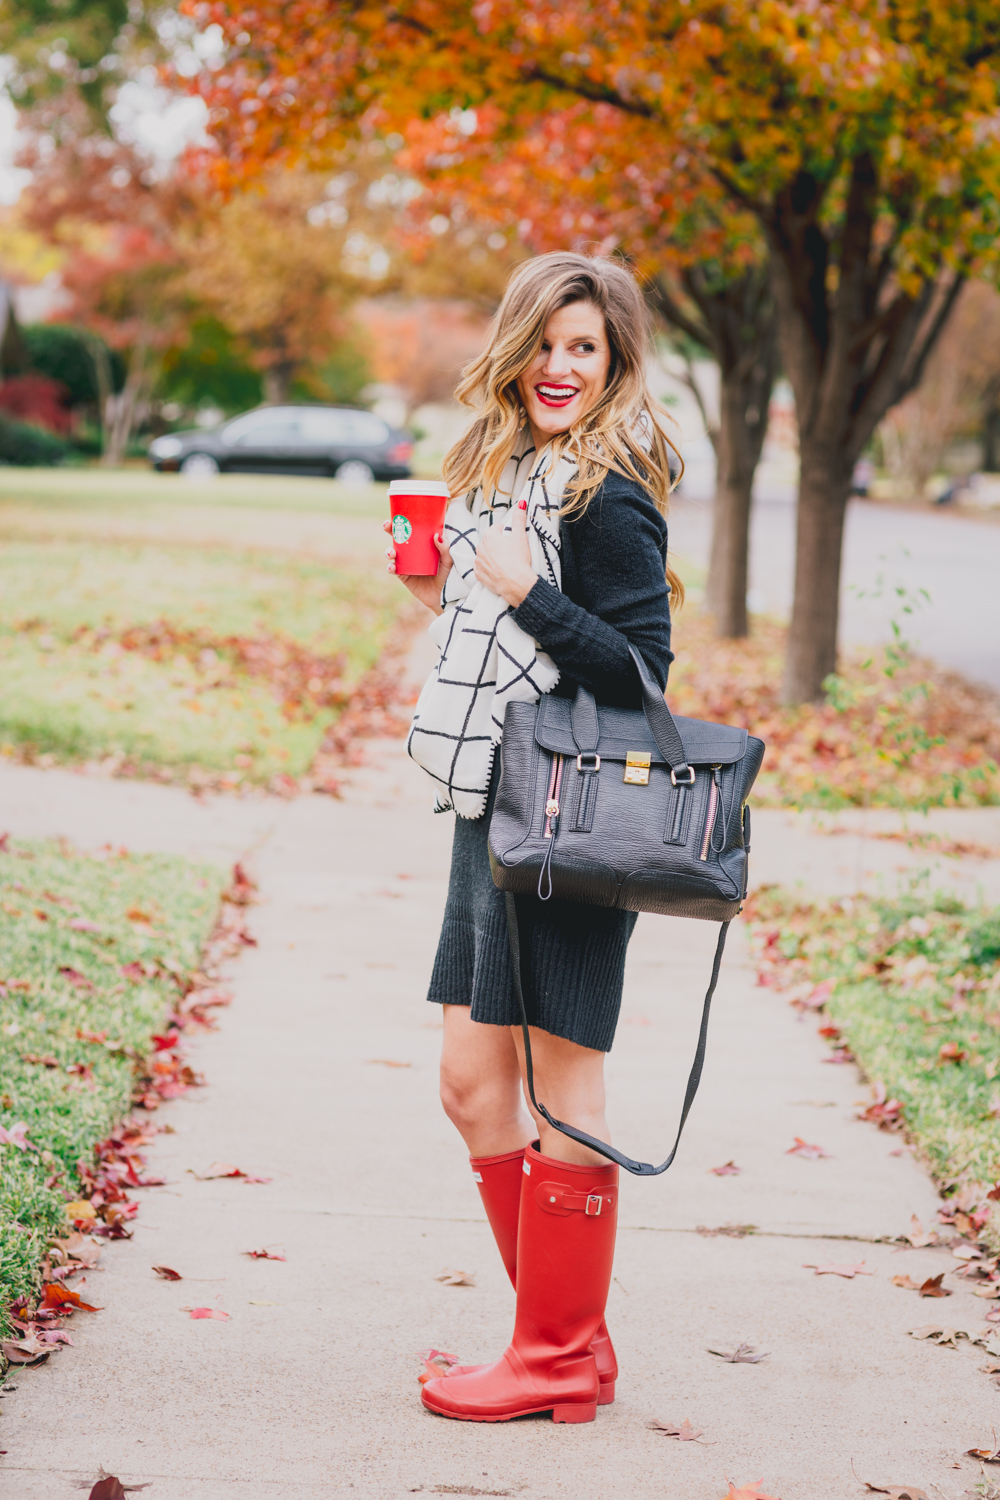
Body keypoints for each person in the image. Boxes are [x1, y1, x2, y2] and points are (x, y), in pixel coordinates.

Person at [383, 251, 683, 1425]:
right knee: (471, 1086)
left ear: (612, 366)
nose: (561, 368)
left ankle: (552, 1357)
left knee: (562, 1093)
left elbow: (642, 675)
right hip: (491, 810)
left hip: (572, 819)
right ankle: (566, 1340)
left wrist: (522, 593)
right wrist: (448, 594)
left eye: (585, 350)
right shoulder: (514, 474)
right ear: (514, 350)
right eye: (546, 345)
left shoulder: (609, 493)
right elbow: (520, 647)